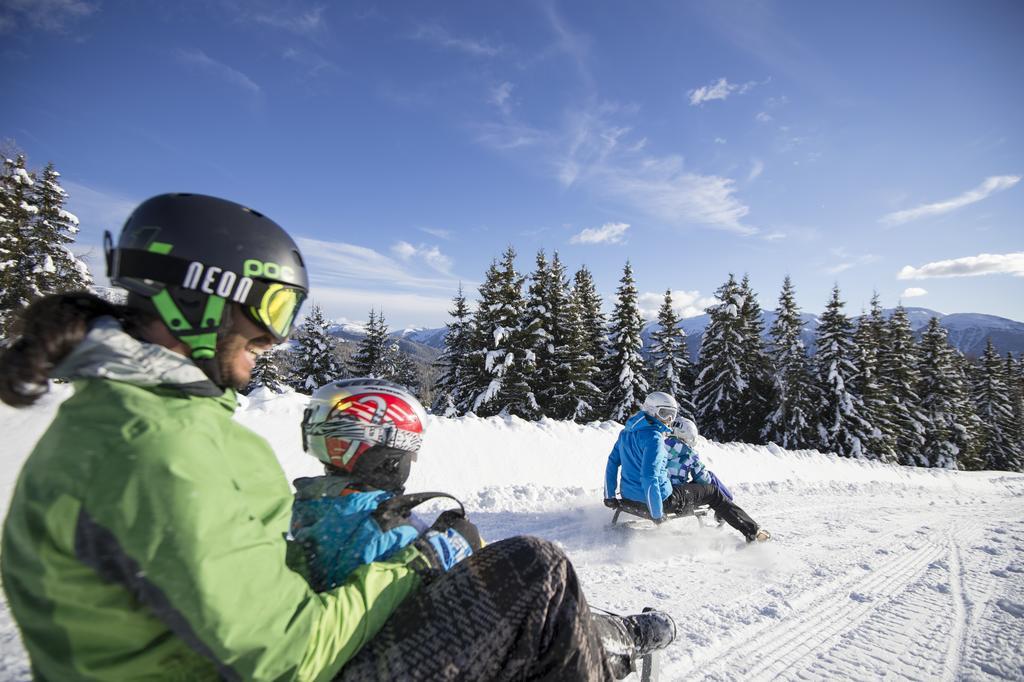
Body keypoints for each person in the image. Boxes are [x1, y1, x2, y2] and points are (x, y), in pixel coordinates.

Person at [0, 192, 673, 681]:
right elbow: (288, 655)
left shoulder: (128, 424)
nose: (274, 338)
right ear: (201, 298)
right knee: (537, 569)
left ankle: (600, 635)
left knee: (497, 594)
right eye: (270, 308)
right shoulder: (154, 447)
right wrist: (408, 565)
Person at [288, 377, 479, 592]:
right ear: (388, 455)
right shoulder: (386, 528)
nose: (411, 459)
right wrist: (454, 544)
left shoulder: (312, 503)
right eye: (410, 448)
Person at [604, 391, 770, 543]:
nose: (668, 420)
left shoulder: (626, 433)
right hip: (661, 501)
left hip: (628, 496)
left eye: (671, 415)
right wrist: (657, 514)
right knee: (713, 492)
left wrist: (610, 496)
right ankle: (753, 532)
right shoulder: (654, 439)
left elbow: (612, 463)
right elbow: (649, 477)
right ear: (651, 410)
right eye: (664, 414)